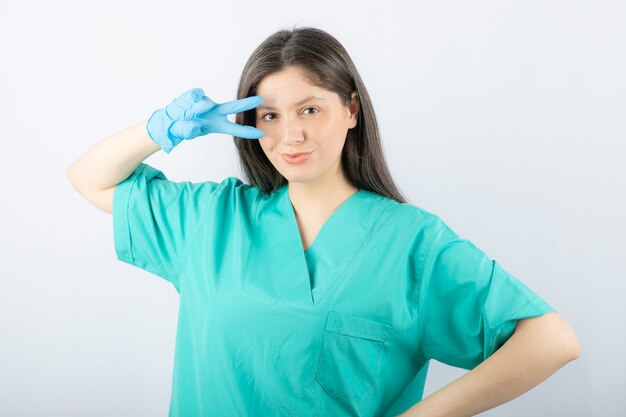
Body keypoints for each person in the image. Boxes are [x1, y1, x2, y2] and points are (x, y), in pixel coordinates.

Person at [67, 26, 580, 417]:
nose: (290, 135)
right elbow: (90, 178)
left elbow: (551, 340)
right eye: (269, 116)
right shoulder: (211, 219)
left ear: (351, 110)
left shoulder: (412, 244)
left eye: (309, 110)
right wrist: (163, 129)